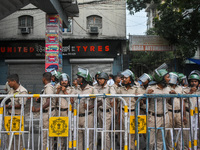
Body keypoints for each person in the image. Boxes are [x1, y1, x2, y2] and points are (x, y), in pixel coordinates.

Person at [73, 67, 98, 150]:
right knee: (78, 138)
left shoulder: (92, 90)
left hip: (88, 116)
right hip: (78, 117)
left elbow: (100, 101)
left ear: (84, 79)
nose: (77, 79)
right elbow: (72, 99)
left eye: (79, 78)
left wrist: (90, 106)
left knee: (88, 138)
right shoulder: (76, 89)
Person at [146, 68, 171, 150]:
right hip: (153, 117)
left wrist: (173, 96)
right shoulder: (151, 88)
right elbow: (143, 101)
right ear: (161, 78)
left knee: (161, 140)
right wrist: (147, 94)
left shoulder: (168, 89)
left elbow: (170, 102)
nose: (169, 79)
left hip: (165, 116)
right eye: (167, 77)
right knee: (150, 141)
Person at [32, 72, 56, 150]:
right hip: (46, 113)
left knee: (46, 135)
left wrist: (37, 109)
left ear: (44, 78)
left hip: (48, 113)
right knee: (45, 134)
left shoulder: (49, 88)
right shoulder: (46, 87)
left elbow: (48, 102)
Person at [117, 69, 138, 150]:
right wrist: (119, 116)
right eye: (123, 78)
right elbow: (118, 103)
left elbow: (142, 102)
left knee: (132, 133)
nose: (124, 79)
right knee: (123, 132)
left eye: (126, 78)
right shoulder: (120, 89)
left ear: (131, 79)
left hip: (133, 113)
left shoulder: (136, 89)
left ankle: (132, 148)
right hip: (122, 112)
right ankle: (124, 147)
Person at [6, 74, 28, 150]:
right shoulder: (11, 90)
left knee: (18, 137)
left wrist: (9, 106)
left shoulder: (22, 91)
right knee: (9, 137)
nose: (8, 83)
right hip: (9, 116)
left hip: (17, 116)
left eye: (9, 82)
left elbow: (22, 105)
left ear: (14, 81)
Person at [166, 72, 187, 149]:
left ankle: (180, 147)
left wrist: (184, 116)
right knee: (169, 133)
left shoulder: (180, 88)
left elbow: (183, 101)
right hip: (170, 112)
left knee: (181, 132)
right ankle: (170, 147)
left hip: (179, 112)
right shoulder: (167, 88)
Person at [96, 72, 116, 150]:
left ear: (106, 80)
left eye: (101, 79)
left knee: (105, 133)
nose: (99, 80)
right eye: (99, 79)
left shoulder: (110, 88)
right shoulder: (99, 88)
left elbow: (113, 95)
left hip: (107, 112)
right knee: (101, 132)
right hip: (100, 111)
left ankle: (107, 148)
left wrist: (112, 100)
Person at [56, 73, 76, 149]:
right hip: (58, 112)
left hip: (66, 112)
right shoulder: (57, 88)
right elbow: (55, 101)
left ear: (68, 81)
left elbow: (72, 101)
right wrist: (57, 92)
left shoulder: (72, 89)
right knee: (59, 132)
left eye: (65, 80)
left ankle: (68, 147)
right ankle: (61, 147)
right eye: (62, 80)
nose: (64, 82)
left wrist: (65, 92)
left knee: (68, 132)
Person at [183, 71, 200, 149]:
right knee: (187, 133)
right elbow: (182, 99)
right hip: (189, 113)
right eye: (192, 81)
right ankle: (187, 148)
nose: (194, 83)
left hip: (198, 114)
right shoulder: (186, 90)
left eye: (195, 81)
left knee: (198, 132)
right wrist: (191, 92)